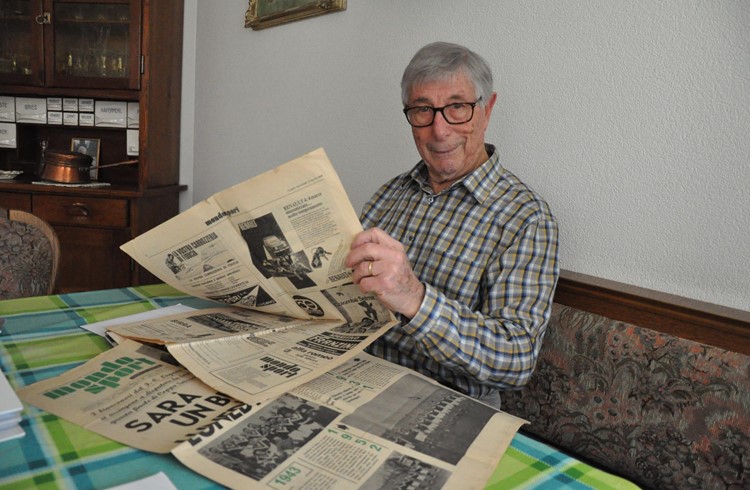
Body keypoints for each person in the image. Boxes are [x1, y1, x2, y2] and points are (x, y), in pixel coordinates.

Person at [345, 42, 559, 407]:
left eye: (457, 107)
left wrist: (415, 298)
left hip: (445, 404)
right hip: (357, 377)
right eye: (423, 110)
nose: (439, 130)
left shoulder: (526, 216)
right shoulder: (388, 194)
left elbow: (516, 359)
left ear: (486, 110)